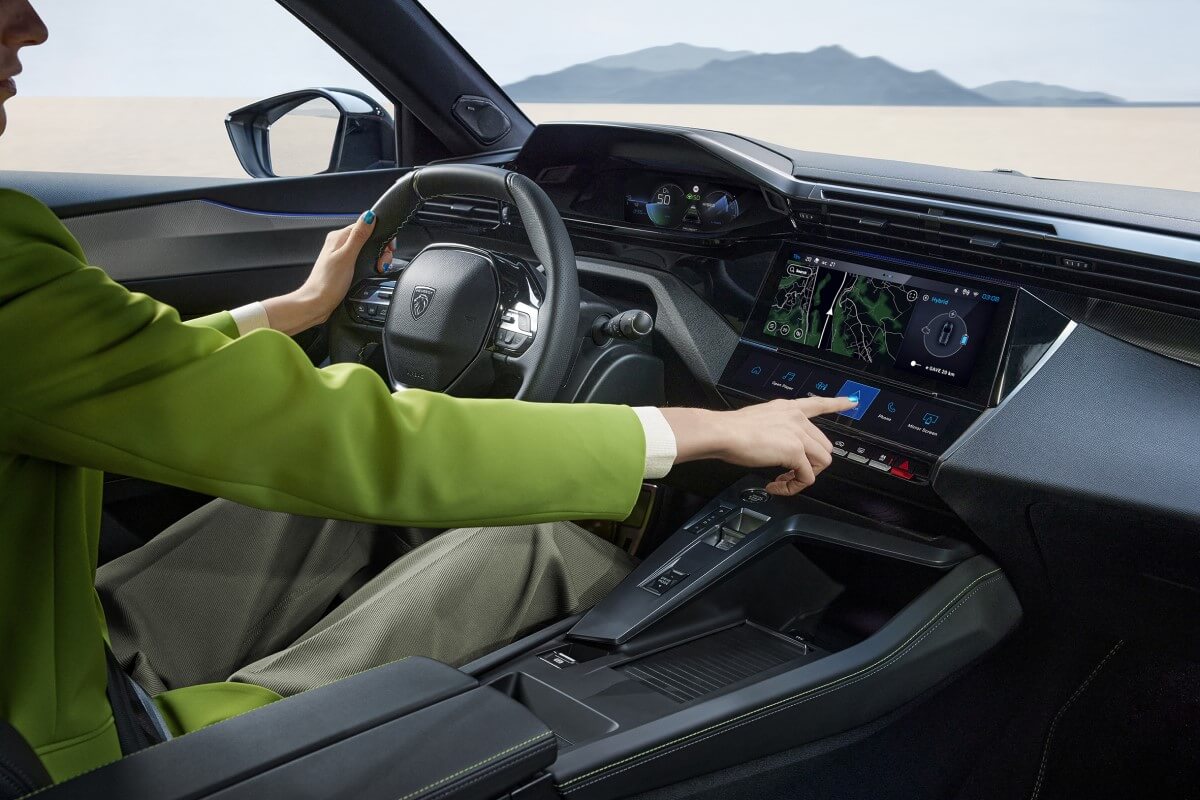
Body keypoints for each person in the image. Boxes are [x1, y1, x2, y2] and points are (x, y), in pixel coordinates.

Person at [0, 0, 855, 785]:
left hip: (49, 646)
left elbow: (120, 368)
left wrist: (294, 311)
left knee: (331, 504)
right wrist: (690, 431)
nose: (32, 26)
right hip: (64, 753)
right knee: (551, 548)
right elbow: (350, 439)